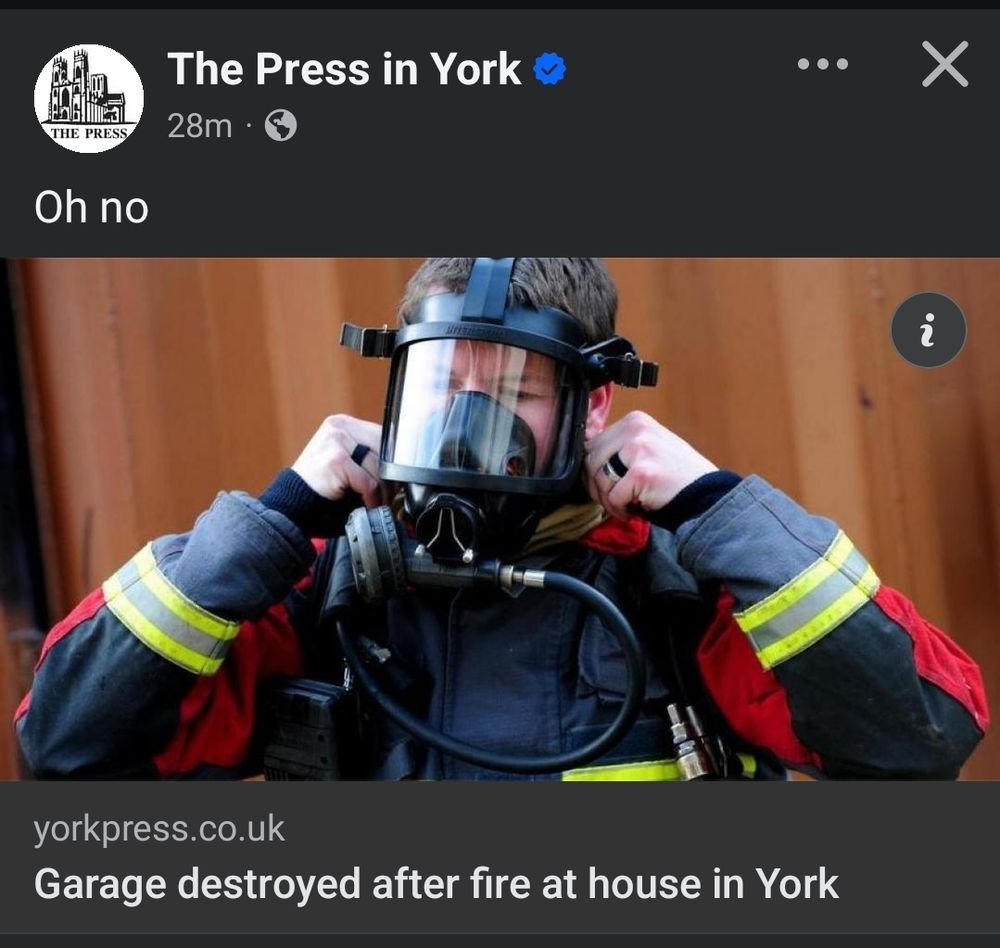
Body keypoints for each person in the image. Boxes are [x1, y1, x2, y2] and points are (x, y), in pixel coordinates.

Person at [14, 257, 988, 780]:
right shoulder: (332, 589)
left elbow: (920, 737)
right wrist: (276, 518)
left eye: (515, 388)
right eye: (444, 383)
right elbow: (68, 743)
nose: (469, 422)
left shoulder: (676, 589)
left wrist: (713, 506)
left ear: (593, 405)